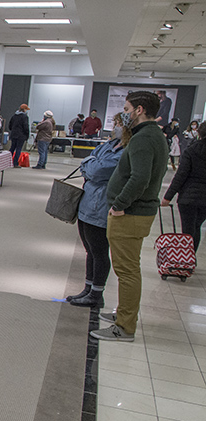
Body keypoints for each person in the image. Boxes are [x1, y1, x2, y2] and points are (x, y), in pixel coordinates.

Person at [90, 91, 168, 343]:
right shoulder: (150, 136)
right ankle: (123, 315)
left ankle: (124, 326)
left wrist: (119, 204)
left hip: (131, 213)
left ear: (139, 110)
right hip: (135, 211)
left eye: (126, 108)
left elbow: (140, 178)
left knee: (127, 271)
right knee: (128, 269)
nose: (124, 113)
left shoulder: (144, 138)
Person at [67, 130, 128, 307]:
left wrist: (91, 166)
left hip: (101, 206)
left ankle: (96, 293)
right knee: (89, 250)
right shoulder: (108, 146)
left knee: (99, 251)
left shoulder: (124, 152)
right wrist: (91, 165)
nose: (115, 127)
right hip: (87, 202)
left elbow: (99, 170)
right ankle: (88, 287)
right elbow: (88, 162)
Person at [161, 121, 206, 254]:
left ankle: (184, 260)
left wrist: (168, 197)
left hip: (188, 197)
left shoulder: (191, 150)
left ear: (198, 132)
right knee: (197, 226)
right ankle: (191, 259)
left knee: (187, 229)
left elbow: (181, 175)